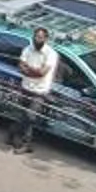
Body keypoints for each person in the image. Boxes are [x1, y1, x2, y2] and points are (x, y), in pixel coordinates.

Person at [10, 26, 58, 154]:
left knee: (30, 116)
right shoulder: (28, 49)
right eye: (36, 37)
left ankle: (16, 134)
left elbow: (42, 73)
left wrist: (28, 70)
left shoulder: (51, 54)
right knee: (25, 115)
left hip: (40, 92)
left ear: (46, 39)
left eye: (40, 37)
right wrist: (32, 70)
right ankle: (23, 141)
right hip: (26, 88)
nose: (37, 40)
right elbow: (20, 65)